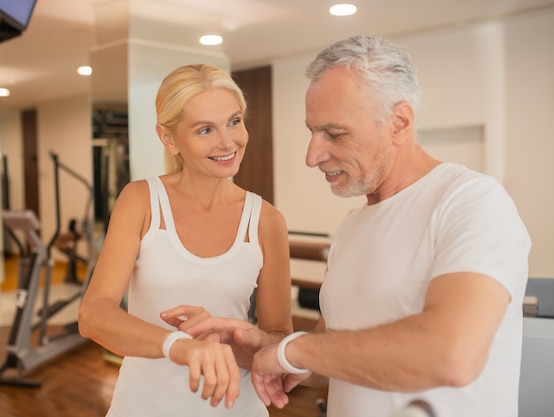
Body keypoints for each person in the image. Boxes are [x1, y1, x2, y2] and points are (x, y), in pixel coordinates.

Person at [184, 36, 531, 417]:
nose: (312, 155)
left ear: (399, 123)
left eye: (334, 134)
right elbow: (331, 355)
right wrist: (264, 348)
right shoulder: (352, 227)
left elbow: (452, 355)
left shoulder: (471, 203)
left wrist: (292, 350)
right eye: (312, 131)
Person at [78, 63, 293, 417]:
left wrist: (233, 339)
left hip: (236, 408)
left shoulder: (267, 220)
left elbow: (277, 341)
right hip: (144, 404)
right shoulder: (141, 201)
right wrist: (180, 345)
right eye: (205, 129)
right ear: (168, 138)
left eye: (234, 122)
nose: (228, 142)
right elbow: (94, 314)